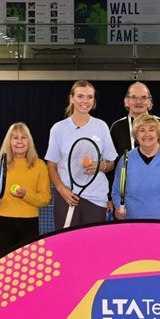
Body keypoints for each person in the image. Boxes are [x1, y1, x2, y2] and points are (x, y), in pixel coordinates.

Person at [45, 80, 117, 229]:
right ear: (71, 98)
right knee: (66, 246)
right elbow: (51, 165)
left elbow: (111, 163)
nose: (85, 101)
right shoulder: (58, 129)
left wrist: (101, 166)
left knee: (93, 247)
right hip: (67, 197)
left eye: (90, 97)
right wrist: (61, 189)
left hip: (96, 198)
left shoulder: (101, 126)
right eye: (80, 96)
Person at [0, 123, 52, 259]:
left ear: (29, 141)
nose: (19, 142)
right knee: (2, 268)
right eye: (15, 138)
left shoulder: (39, 165)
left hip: (29, 224)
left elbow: (45, 198)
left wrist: (25, 195)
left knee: (27, 269)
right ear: (9, 141)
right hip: (2, 224)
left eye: (24, 138)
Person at [109, 81, 160, 155]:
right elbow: (110, 159)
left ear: (149, 101)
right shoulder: (117, 127)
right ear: (126, 101)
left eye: (144, 97)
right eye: (133, 97)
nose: (139, 102)